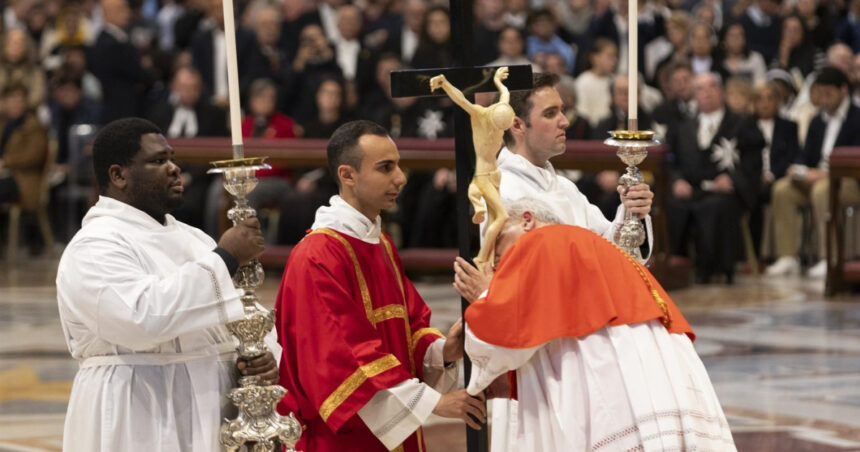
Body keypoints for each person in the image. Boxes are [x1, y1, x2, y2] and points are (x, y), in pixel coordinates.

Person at [453, 71, 654, 452]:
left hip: (577, 345)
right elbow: (520, 284)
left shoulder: (563, 187)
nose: (564, 121)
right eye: (551, 113)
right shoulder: (501, 192)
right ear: (516, 125)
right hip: (534, 352)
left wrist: (632, 214)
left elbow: (610, 251)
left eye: (562, 110)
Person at [56, 118, 277, 451]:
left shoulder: (195, 239)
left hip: (210, 406)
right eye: (158, 161)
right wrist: (226, 258)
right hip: (136, 406)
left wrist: (260, 354)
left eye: (172, 158)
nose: (174, 168)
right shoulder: (95, 244)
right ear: (118, 175)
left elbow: (243, 313)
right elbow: (141, 320)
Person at [275, 120, 486, 452]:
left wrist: (441, 351)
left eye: (398, 165)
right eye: (386, 168)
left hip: (393, 435)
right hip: (344, 439)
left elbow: (407, 329)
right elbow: (342, 358)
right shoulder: (316, 257)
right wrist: (433, 403)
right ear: (347, 175)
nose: (400, 178)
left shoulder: (380, 243)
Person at [460, 198, 736, 451]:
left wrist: (485, 296)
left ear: (527, 220)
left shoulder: (539, 241)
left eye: (497, 244)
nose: (496, 263)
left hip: (616, 383)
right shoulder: (589, 244)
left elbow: (509, 331)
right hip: (664, 379)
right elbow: (544, 330)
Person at [665, 72, 764, 283]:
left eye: (712, 87)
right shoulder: (683, 127)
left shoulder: (741, 123)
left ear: (721, 92)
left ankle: (715, 268)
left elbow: (753, 160)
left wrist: (733, 179)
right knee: (673, 205)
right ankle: (676, 268)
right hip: (691, 189)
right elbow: (672, 161)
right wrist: (677, 181)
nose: (707, 93)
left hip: (726, 192)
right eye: (701, 89)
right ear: (695, 94)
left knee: (715, 206)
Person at [766, 67, 860, 277]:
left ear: (843, 90)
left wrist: (828, 174)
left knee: (822, 191)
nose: (824, 100)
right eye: (820, 94)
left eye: (829, 94)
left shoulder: (857, 118)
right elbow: (806, 154)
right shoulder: (817, 121)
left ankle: (829, 258)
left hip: (848, 181)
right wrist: (798, 169)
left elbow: (855, 158)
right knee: (782, 189)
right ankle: (787, 256)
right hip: (816, 177)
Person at [431, 66, 514, 269]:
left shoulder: (502, 109)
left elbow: (505, 92)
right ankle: (481, 257)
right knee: (502, 216)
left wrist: (498, 79)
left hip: (495, 173)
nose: (498, 131)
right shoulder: (480, 114)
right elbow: (460, 99)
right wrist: (445, 83)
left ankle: (490, 259)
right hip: (483, 173)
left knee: (494, 219)